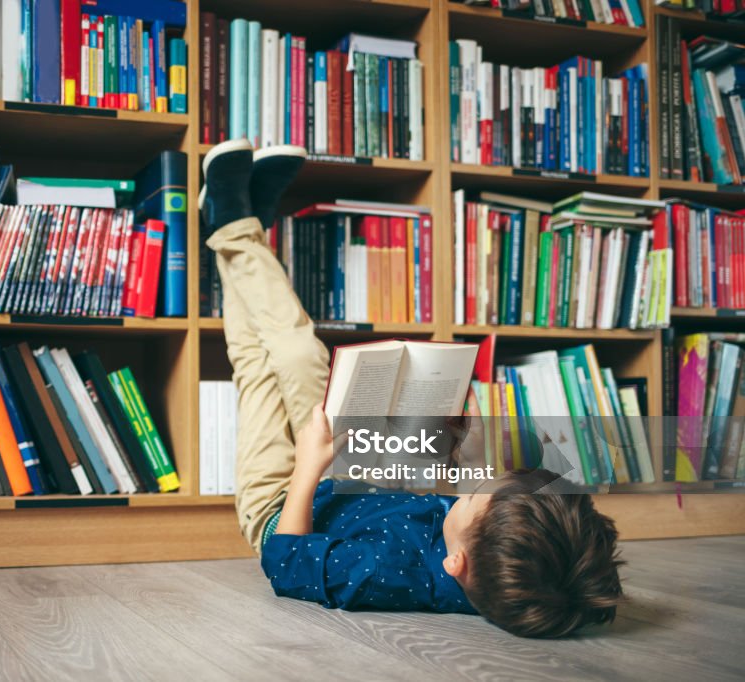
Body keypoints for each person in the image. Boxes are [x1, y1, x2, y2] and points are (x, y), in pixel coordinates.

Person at [200, 139, 625, 639]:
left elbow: (286, 563)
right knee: (296, 353)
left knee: (259, 364)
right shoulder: (500, 550)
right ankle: (235, 225)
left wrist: (308, 468)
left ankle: (235, 224)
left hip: (279, 502)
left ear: (456, 564)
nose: (464, 493)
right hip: (347, 477)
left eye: (468, 498)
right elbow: (433, 499)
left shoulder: (380, 576)